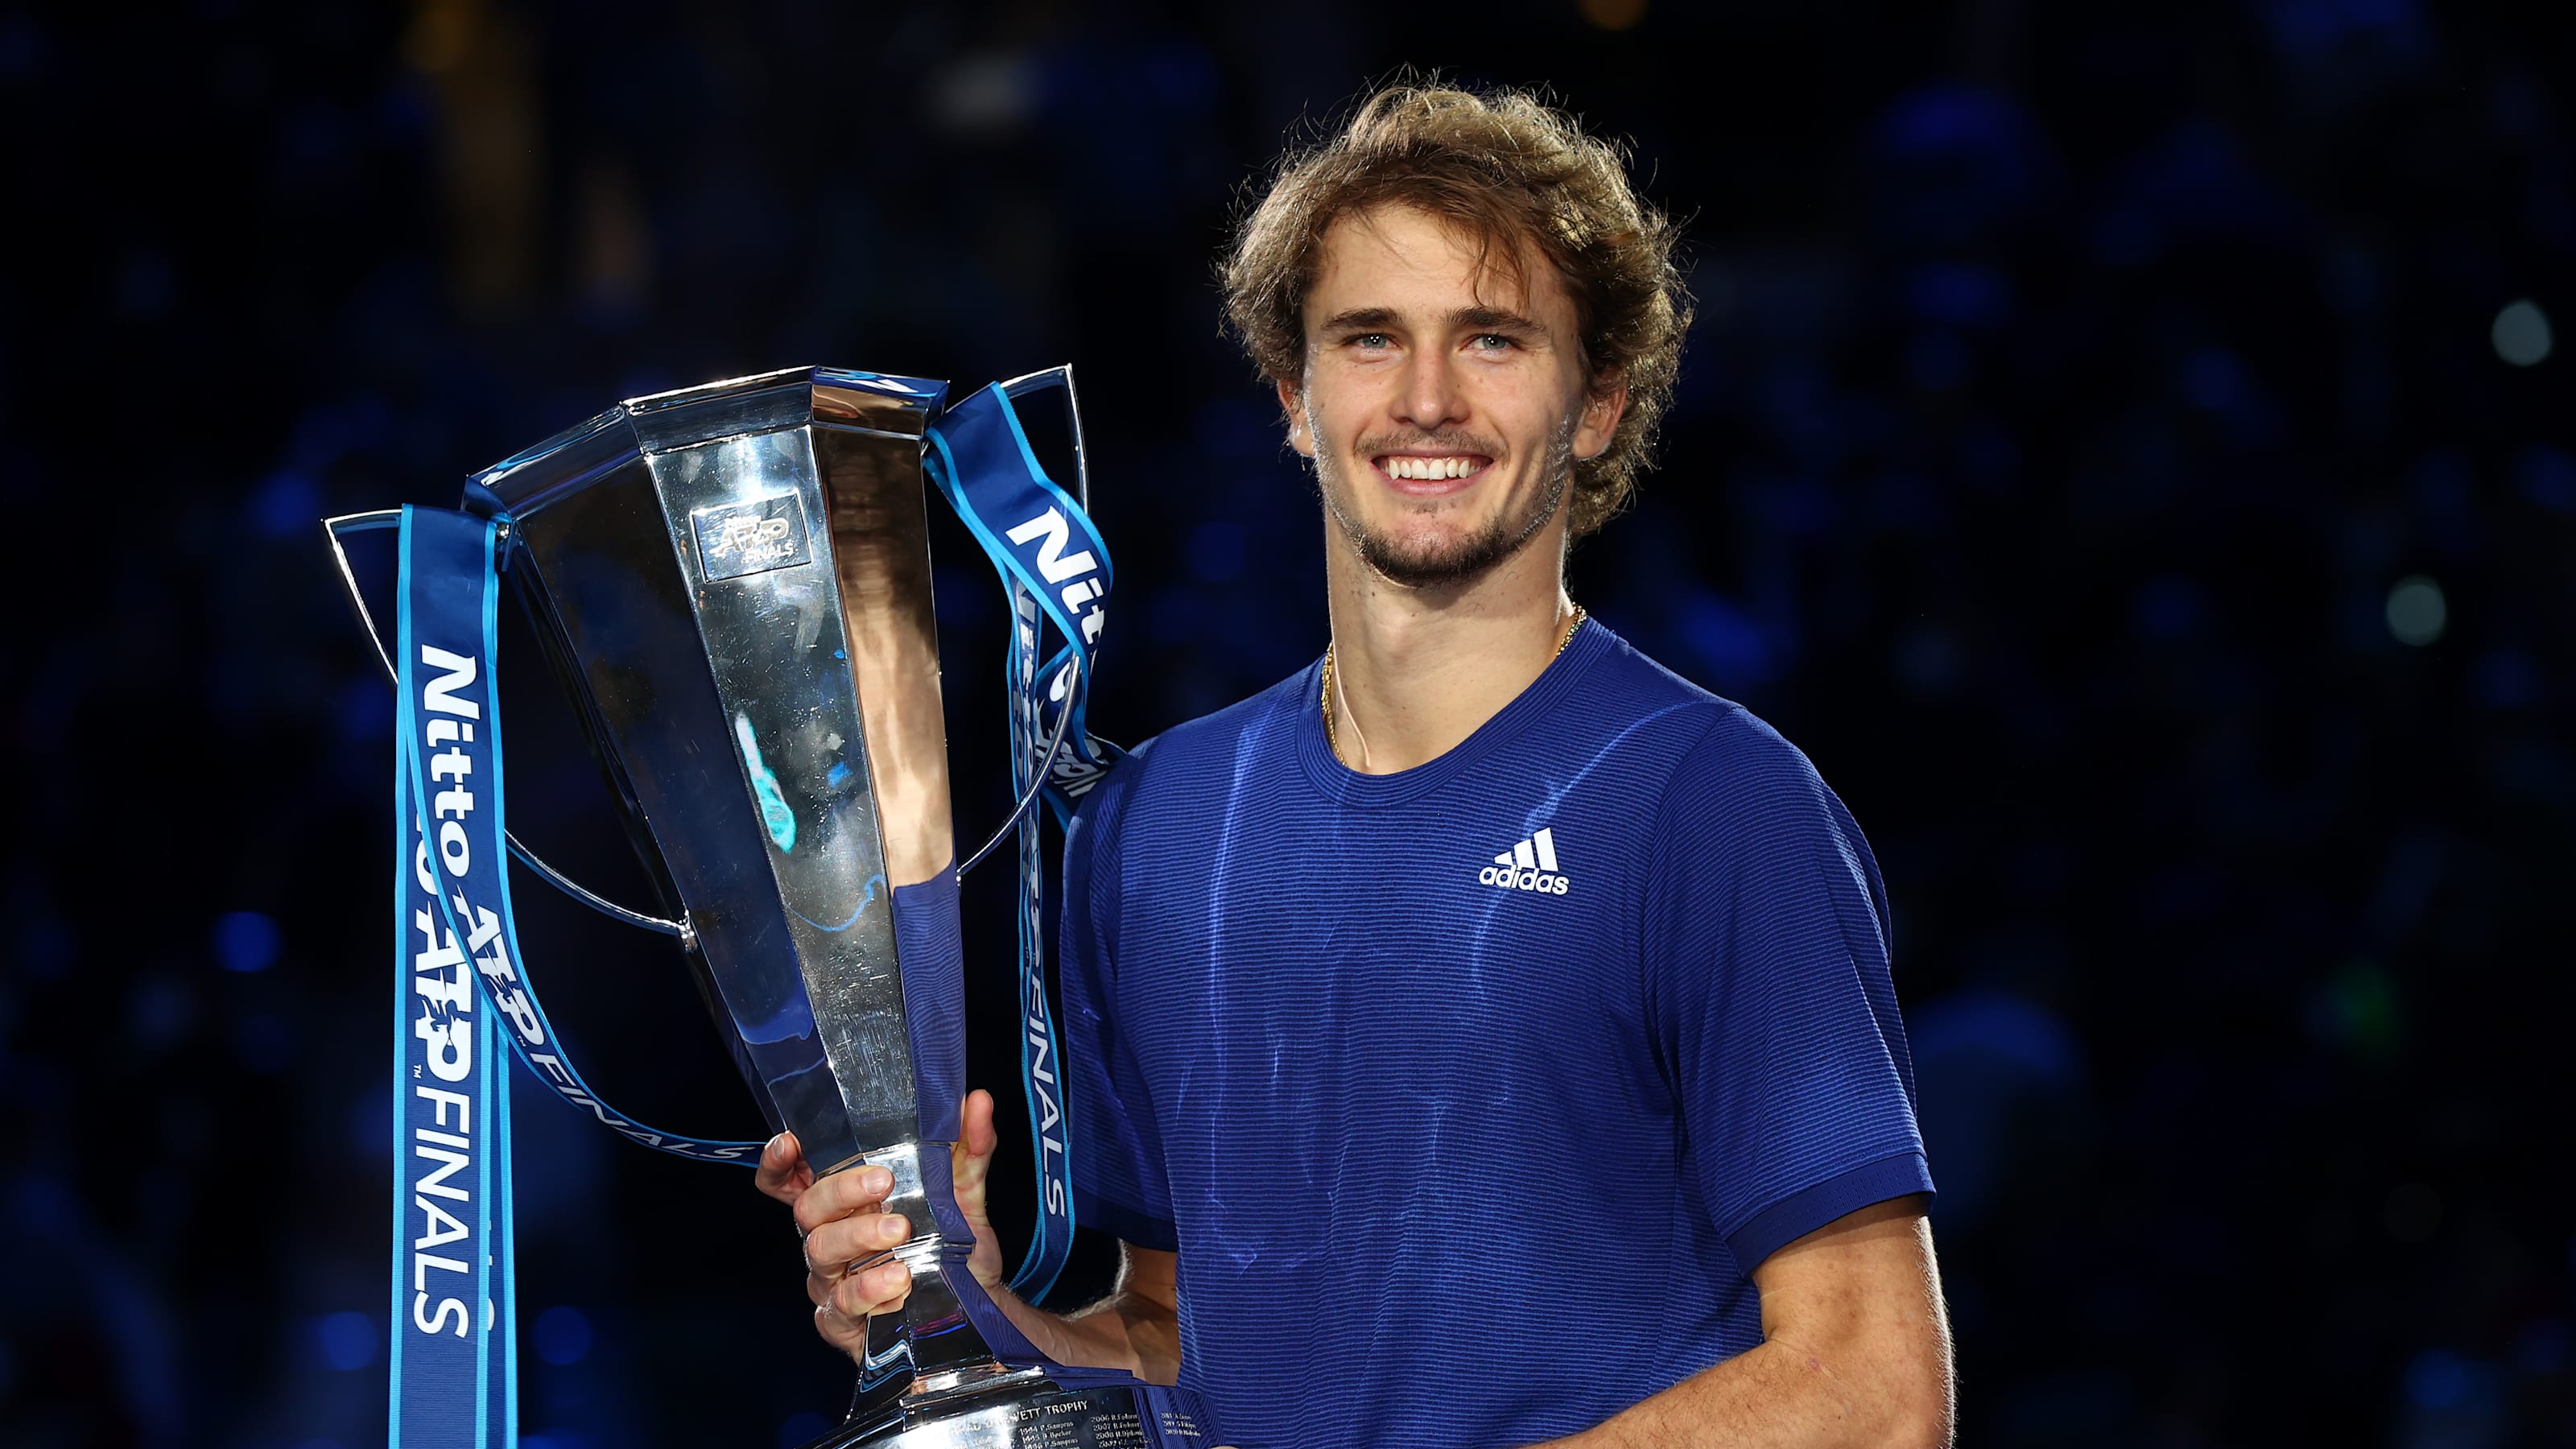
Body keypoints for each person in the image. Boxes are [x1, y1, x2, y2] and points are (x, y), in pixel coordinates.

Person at [759, 81, 1954, 1448]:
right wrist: (960, 1307)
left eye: (1493, 339)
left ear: (1600, 403)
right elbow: (1175, 1351)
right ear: (1294, 395)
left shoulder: (1714, 806)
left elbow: (1875, 1390)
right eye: (1370, 338)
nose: (1427, 399)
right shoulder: (1150, 828)